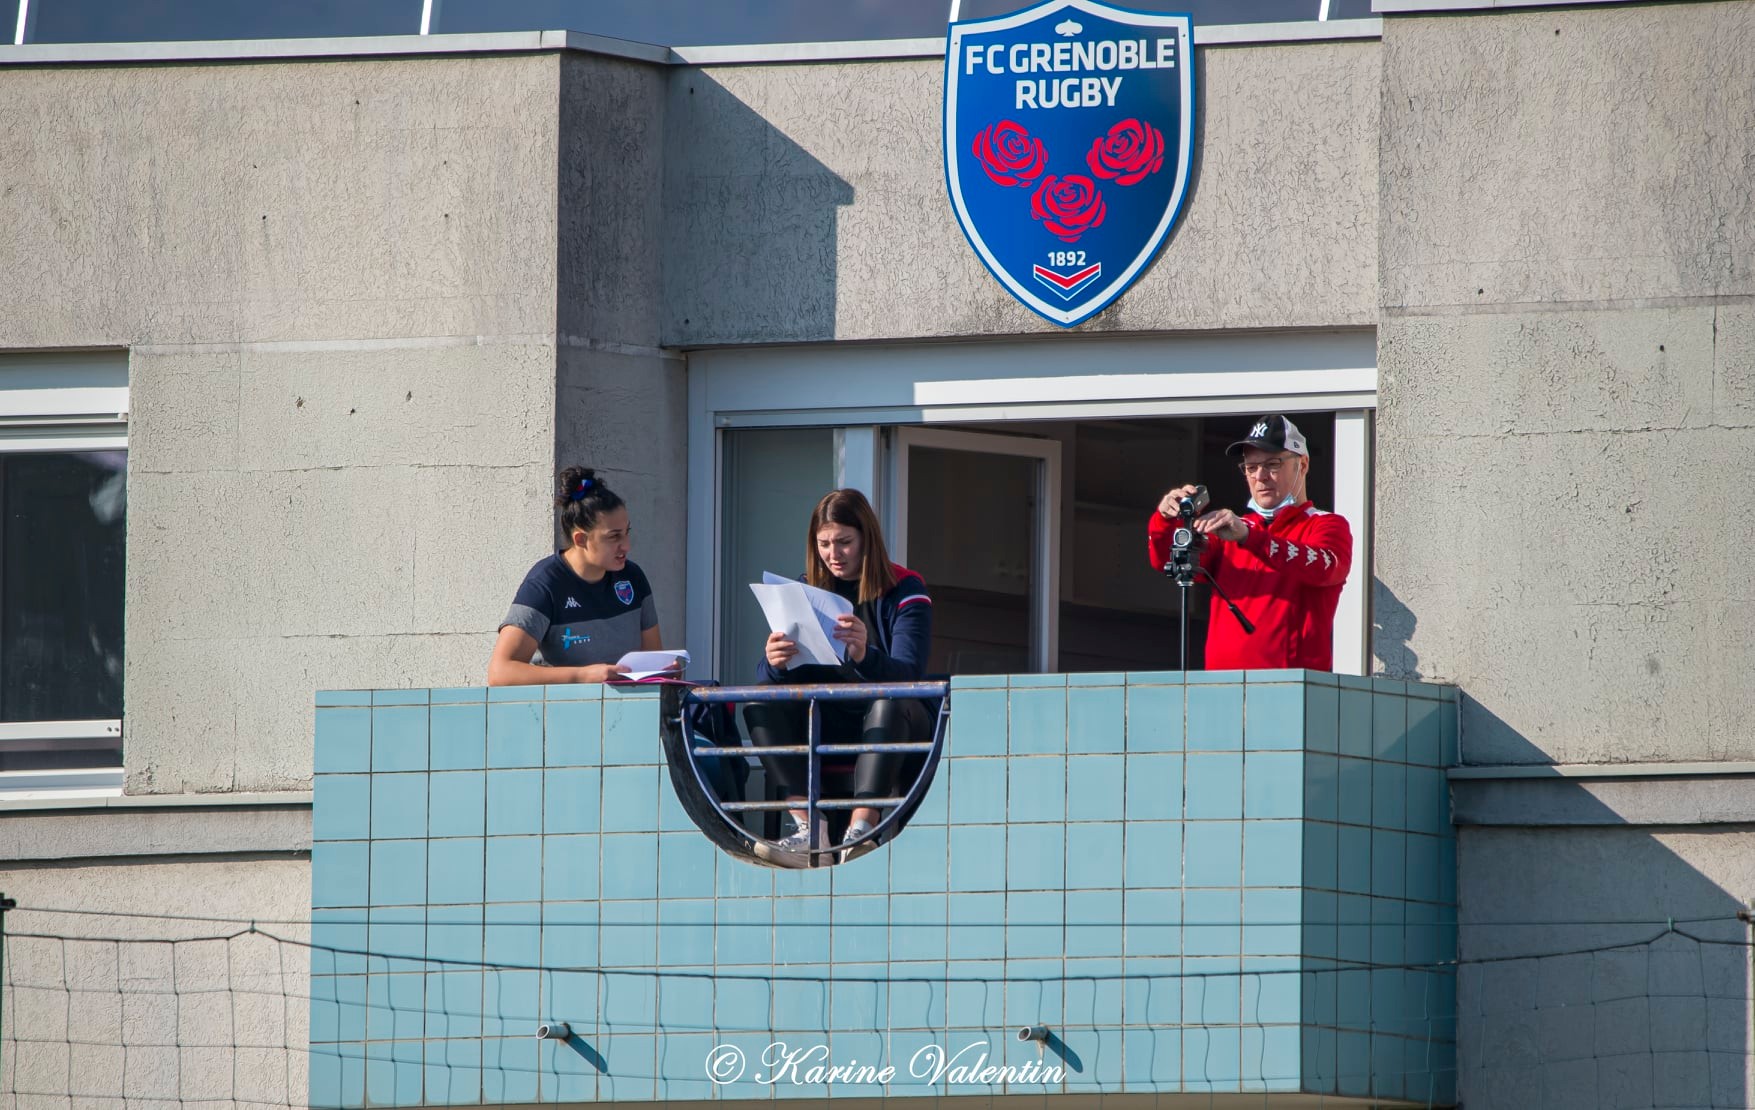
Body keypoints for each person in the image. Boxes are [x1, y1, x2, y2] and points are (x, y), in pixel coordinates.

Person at [744, 488, 934, 864]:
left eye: (844, 542)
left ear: (867, 538)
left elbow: (910, 673)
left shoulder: (905, 588)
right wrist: (774, 662)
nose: (833, 554)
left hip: (898, 722)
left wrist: (864, 655)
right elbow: (778, 676)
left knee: (888, 702)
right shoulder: (805, 589)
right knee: (759, 699)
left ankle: (861, 830)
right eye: (824, 544)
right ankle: (808, 828)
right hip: (827, 718)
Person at [1149, 414, 1352, 671]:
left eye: (1273, 464)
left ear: (1302, 465)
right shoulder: (1232, 530)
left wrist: (1249, 537)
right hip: (1222, 689)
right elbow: (1166, 560)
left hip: (1292, 690)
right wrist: (1165, 519)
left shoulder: (1326, 524)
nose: (1260, 476)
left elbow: (1324, 568)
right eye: (1251, 468)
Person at [488, 467, 668, 685]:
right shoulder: (545, 584)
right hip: (564, 715)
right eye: (614, 537)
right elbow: (500, 673)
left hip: (627, 712)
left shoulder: (633, 577)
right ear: (581, 540)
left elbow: (652, 661)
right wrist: (583, 676)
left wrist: (665, 671)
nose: (626, 546)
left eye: (626, 532)